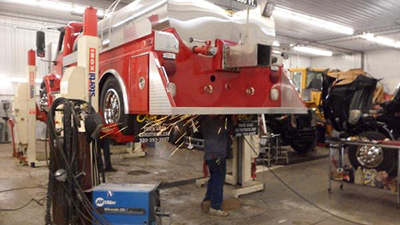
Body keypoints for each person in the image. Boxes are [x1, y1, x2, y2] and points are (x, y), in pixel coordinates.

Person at [200, 115, 235, 217]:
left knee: (214, 178)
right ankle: (215, 207)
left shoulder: (204, 120)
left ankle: (208, 199)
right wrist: (233, 119)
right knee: (219, 180)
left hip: (209, 154)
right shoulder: (219, 122)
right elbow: (231, 129)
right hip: (218, 155)